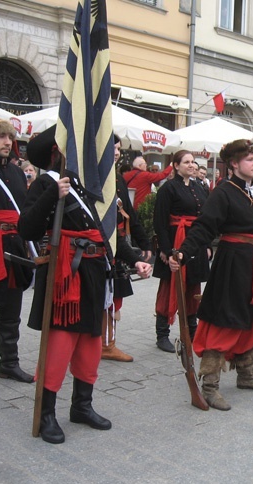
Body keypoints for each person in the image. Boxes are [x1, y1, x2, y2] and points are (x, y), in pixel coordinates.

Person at [19, 125, 151, 444]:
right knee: (61, 344)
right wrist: (54, 193)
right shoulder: (47, 185)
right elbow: (26, 228)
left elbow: (102, 235)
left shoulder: (80, 185)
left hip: (93, 274)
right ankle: (46, 413)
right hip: (65, 278)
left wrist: (134, 259)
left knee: (90, 343)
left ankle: (82, 406)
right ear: (58, 153)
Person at [169, 138, 253, 411]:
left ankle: (247, 375)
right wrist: (183, 252)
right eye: (249, 159)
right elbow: (205, 227)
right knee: (224, 321)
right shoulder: (223, 192)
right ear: (233, 163)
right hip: (233, 265)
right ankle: (209, 387)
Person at [0, 119, 35, 394]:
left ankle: (9, 364)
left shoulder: (16, 173)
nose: (6, 142)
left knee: (11, 310)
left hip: (12, 246)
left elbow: (23, 210)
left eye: (9, 137)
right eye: (0, 137)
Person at [153, 150, 210, 353]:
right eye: (186, 162)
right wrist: (166, 251)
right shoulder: (168, 189)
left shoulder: (200, 188)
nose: (192, 165)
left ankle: (191, 334)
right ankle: (162, 334)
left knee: (193, 288)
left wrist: (208, 245)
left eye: (193, 162)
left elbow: (205, 220)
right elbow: (159, 222)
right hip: (175, 241)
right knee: (170, 287)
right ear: (176, 166)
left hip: (195, 243)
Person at [103, 135, 154, 362]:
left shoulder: (118, 178)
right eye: (111, 148)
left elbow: (130, 214)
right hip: (101, 244)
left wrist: (144, 243)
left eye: (117, 149)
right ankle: (99, 342)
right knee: (103, 296)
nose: (116, 152)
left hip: (119, 244)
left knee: (115, 297)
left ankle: (107, 343)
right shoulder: (94, 177)